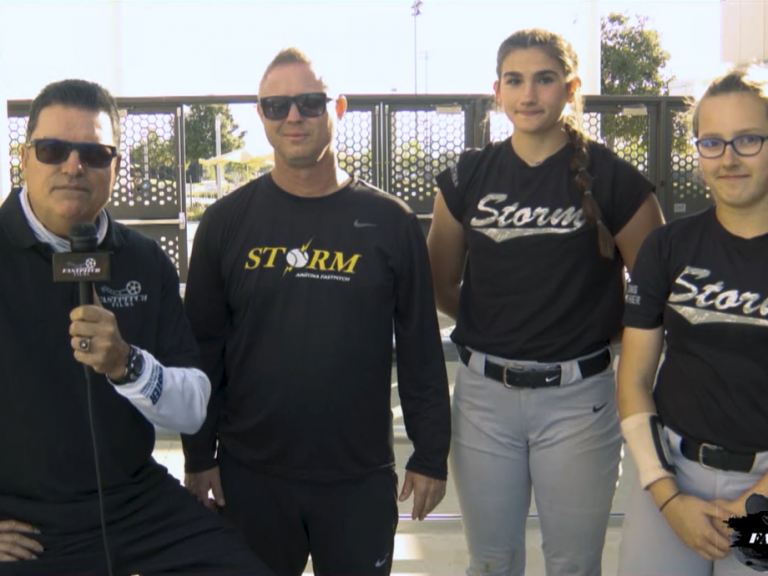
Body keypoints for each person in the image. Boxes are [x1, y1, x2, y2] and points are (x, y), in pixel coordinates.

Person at [181, 48, 452, 576]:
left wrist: (430, 454)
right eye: (276, 105)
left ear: (338, 108)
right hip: (250, 477)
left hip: (357, 479)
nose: (293, 117)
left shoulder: (391, 222)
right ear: (261, 116)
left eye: (309, 102)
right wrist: (198, 456)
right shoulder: (224, 223)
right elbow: (203, 349)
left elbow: (420, 348)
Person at [0, 79, 272, 576]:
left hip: (135, 503)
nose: (73, 167)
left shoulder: (144, 260)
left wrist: (127, 365)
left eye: (94, 154)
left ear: (115, 167)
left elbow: (193, 406)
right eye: (53, 150)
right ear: (24, 158)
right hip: (25, 520)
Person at [427, 29, 664, 576]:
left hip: (580, 399)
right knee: (491, 561)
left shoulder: (615, 179)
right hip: (484, 398)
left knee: (573, 564)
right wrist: (503, 324)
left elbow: (655, 295)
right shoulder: (467, 176)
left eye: (544, 79)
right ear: (497, 91)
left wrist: (593, 333)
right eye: (514, 80)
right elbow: (441, 283)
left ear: (571, 88)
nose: (528, 94)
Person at [617, 66, 768, 575]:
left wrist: (754, 508)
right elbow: (634, 380)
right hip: (672, 476)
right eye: (712, 142)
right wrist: (666, 496)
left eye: (748, 140)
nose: (729, 158)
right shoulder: (667, 247)